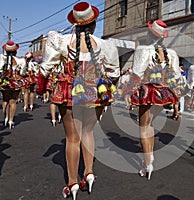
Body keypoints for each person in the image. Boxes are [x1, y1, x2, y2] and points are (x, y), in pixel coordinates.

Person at [37, 2, 119, 199]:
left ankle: (72, 182)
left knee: (72, 138)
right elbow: (114, 72)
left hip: (69, 90)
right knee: (88, 132)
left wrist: (41, 88)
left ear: (75, 24)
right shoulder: (105, 45)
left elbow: (45, 68)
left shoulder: (62, 40)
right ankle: (89, 172)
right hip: (94, 91)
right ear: (93, 25)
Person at [129, 19, 181, 180]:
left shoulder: (144, 50)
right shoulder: (171, 53)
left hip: (147, 91)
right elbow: (176, 75)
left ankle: (147, 163)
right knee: (149, 125)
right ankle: (150, 156)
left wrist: (129, 90)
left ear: (150, 34)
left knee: (143, 126)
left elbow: (137, 72)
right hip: (163, 93)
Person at [0, 41, 26, 129]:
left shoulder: (2, 58)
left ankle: (6, 117)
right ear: (15, 51)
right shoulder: (21, 60)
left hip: (5, 82)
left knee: (5, 100)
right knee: (13, 101)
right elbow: (23, 72)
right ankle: (11, 120)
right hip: (16, 82)